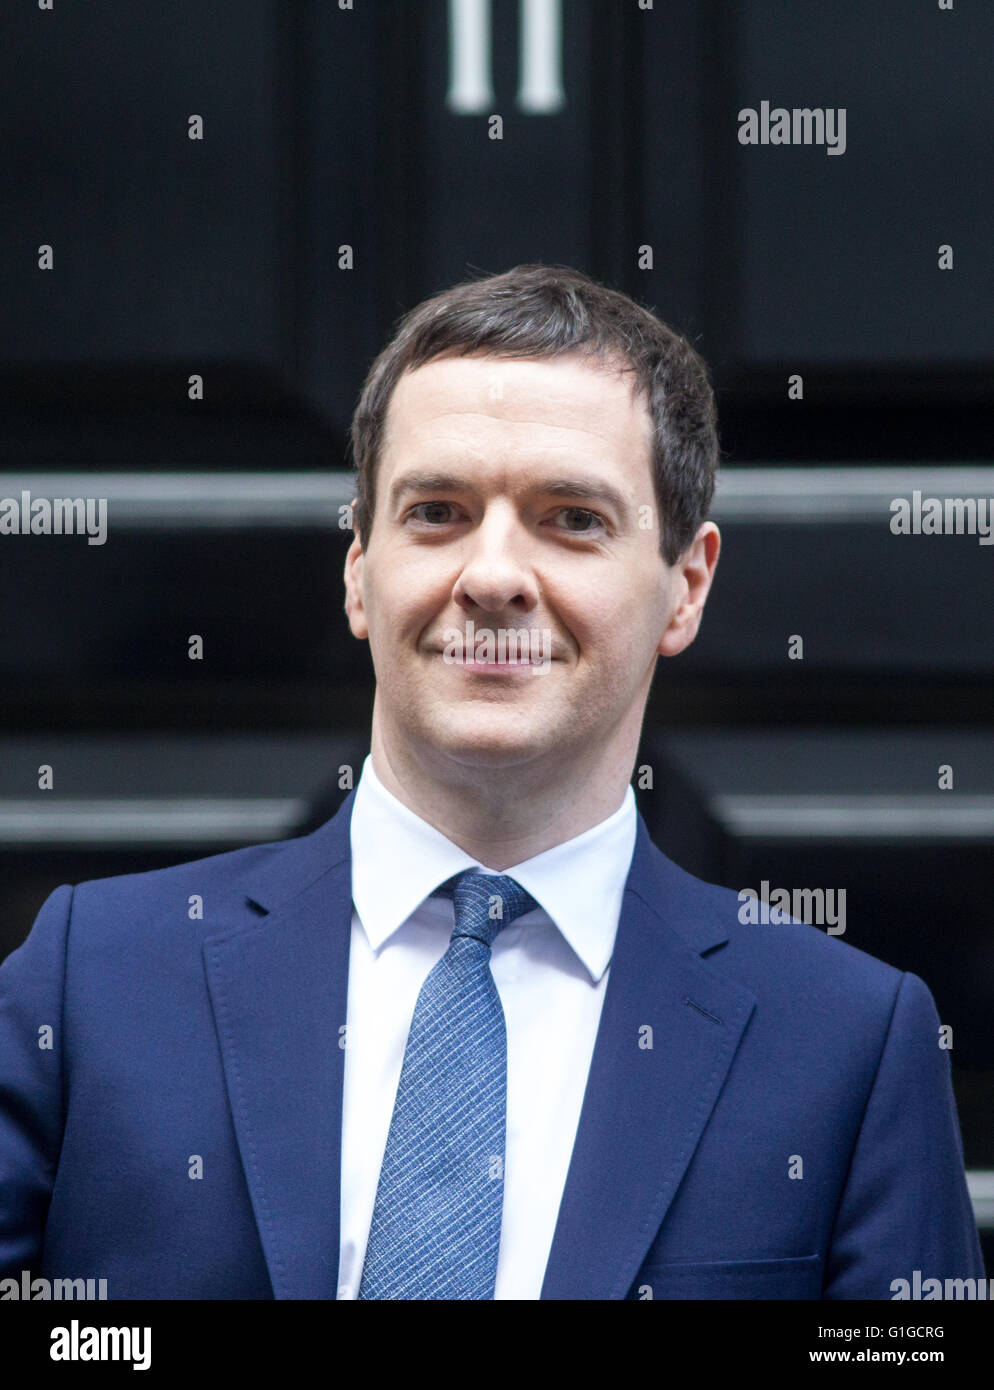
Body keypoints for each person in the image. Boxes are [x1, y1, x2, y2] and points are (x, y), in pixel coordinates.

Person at [0, 265, 983, 1300]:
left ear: (685, 586)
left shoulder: (848, 1042)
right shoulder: (93, 977)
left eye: (572, 517)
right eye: (437, 510)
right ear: (357, 571)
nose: (493, 574)